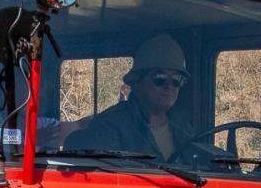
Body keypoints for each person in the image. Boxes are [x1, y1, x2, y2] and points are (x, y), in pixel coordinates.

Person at [65, 34, 197, 160]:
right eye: (160, 78)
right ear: (137, 81)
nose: (169, 86)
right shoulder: (110, 125)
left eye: (177, 80)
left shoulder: (183, 127)